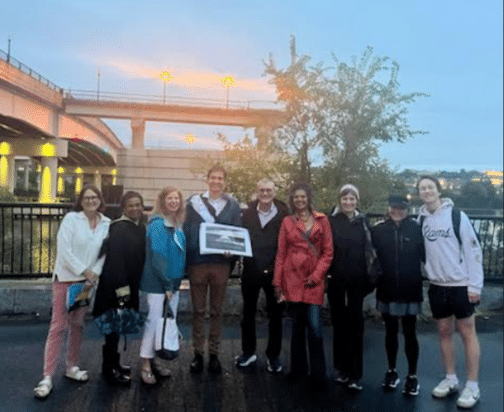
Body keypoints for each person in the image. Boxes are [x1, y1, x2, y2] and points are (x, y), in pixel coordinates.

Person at [34, 185, 111, 399]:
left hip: (86, 284)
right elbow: (64, 250)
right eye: (86, 197)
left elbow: (105, 253)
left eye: (94, 197)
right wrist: (84, 271)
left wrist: (93, 274)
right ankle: (47, 376)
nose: (91, 201)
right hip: (66, 280)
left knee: (77, 325)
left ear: (100, 200)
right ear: (80, 200)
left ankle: (72, 367)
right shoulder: (71, 220)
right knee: (58, 326)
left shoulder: (106, 223)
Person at [417, 175, 483, 409]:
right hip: (437, 285)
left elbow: (474, 251)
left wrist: (475, 285)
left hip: (461, 285)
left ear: (438, 190)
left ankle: (472, 385)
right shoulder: (421, 219)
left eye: (430, 187)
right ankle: (451, 378)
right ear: (419, 193)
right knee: (444, 332)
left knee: (467, 332)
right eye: (422, 188)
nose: (427, 191)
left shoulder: (457, 216)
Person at [273, 182, 333, 388]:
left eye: (303, 196)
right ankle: (297, 370)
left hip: (313, 280)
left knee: (315, 328)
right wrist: (277, 282)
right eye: (296, 197)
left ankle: (318, 373)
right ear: (292, 199)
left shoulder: (322, 220)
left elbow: (328, 252)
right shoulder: (287, 222)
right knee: (297, 328)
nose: (300, 200)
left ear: (308, 198)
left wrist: (317, 276)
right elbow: (281, 253)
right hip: (292, 279)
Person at [184, 164, 242, 374]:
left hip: (220, 264)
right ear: (207, 179)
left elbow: (237, 232)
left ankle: (214, 354)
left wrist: (232, 251)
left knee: (217, 311)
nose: (216, 181)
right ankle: (198, 354)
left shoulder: (233, 206)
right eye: (213, 177)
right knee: (198, 311)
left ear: (224, 182)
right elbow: (187, 229)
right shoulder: (193, 203)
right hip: (198, 262)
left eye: (220, 178)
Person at [371, 195, 425, 396]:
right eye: (394, 207)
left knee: (410, 333)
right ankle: (391, 370)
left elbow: (430, 253)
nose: (397, 211)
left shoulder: (416, 228)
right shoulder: (378, 230)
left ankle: (412, 375)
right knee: (390, 332)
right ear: (388, 208)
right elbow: (366, 251)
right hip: (387, 287)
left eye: (401, 208)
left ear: (407, 209)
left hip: (411, 288)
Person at [92, 191, 146, 385]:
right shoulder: (119, 228)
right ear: (124, 208)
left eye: (138, 204)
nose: (135, 208)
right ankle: (108, 370)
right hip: (115, 287)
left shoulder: (140, 227)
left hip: (128, 285)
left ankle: (115, 364)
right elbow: (115, 263)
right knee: (113, 328)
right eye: (130, 205)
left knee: (117, 326)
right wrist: (123, 293)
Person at [236, 178, 288, 372]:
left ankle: (273, 356)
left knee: (275, 315)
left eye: (268, 190)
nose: (265, 193)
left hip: (275, 272)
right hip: (251, 270)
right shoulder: (247, 214)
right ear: (257, 192)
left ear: (274, 192)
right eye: (261, 190)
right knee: (247, 314)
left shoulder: (284, 215)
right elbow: (238, 237)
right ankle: (248, 353)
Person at [326, 184, 373, 391]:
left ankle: (355, 373)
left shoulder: (363, 222)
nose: (348, 202)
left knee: (355, 324)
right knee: (338, 324)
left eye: (352, 199)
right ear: (339, 200)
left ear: (357, 201)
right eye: (345, 198)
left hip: (357, 280)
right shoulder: (330, 221)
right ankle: (341, 368)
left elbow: (371, 249)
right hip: (336, 279)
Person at [138, 186, 186, 385]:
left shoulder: (175, 223)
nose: (174, 201)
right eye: (170, 198)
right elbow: (158, 257)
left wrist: (173, 284)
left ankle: (154, 362)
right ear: (162, 201)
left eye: (177, 198)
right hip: (159, 285)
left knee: (162, 324)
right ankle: (145, 366)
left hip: (171, 285)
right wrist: (167, 284)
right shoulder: (158, 224)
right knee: (153, 323)